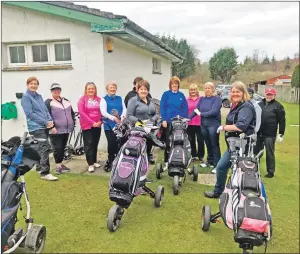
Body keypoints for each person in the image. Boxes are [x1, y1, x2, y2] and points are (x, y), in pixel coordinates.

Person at [204, 81, 256, 198]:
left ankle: (238, 196)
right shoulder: (236, 105)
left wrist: (224, 127)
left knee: (237, 171)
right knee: (221, 167)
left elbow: (241, 125)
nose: (235, 94)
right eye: (233, 92)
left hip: (242, 146)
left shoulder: (246, 107)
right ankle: (219, 192)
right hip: (233, 145)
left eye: (238, 91)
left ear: (243, 93)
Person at [21, 77, 58, 181]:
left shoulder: (39, 96)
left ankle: (39, 166)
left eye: (35, 84)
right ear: (27, 85)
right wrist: (45, 122)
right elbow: (30, 114)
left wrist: (50, 121)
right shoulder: (26, 97)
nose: (33, 85)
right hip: (36, 127)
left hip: (44, 125)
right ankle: (45, 172)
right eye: (31, 84)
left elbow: (45, 110)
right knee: (45, 148)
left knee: (41, 148)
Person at [189, 82, 222, 173]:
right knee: (207, 143)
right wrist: (187, 119)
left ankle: (217, 164)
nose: (207, 89)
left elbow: (214, 111)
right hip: (203, 125)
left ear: (213, 89)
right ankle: (210, 161)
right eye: (206, 88)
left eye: (209, 88)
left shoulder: (217, 99)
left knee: (214, 144)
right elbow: (196, 110)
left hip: (213, 125)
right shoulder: (202, 99)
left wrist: (201, 114)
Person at [254, 87, 286, 178]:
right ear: (265, 94)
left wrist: (281, 133)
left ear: (274, 96)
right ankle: (255, 169)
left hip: (270, 134)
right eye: (267, 94)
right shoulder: (259, 104)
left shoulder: (278, 106)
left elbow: (282, 121)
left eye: (271, 95)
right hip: (259, 133)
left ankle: (270, 172)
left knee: (269, 153)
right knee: (256, 152)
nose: (269, 96)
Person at [45, 83, 75, 175]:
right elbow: (46, 116)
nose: (56, 91)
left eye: (58, 89)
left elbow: (71, 113)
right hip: (55, 130)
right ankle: (58, 167)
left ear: (60, 90)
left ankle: (60, 164)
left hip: (66, 129)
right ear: (51, 91)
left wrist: (73, 123)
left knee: (62, 147)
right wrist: (52, 127)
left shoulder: (66, 100)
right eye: (54, 90)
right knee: (57, 148)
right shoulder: (48, 102)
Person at [160, 76, 188, 169]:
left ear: (178, 85)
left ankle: (180, 159)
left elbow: (185, 108)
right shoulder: (166, 94)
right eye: (173, 84)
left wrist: (183, 118)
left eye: (176, 84)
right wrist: (163, 119)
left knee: (179, 141)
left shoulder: (181, 95)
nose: (174, 85)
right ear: (170, 85)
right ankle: (167, 162)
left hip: (179, 122)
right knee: (168, 142)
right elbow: (162, 107)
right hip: (168, 121)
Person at [127, 79, 158, 164]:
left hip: (149, 128)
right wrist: (139, 121)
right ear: (138, 90)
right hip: (137, 129)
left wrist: (152, 120)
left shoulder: (151, 101)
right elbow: (129, 115)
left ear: (148, 90)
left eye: (145, 89)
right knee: (138, 148)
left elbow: (156, 114)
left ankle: (147, 158)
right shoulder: (133, 101)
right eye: (141, 89)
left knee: (148, 146)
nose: (143, 91)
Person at [100, 81, 127, 171]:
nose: (112, 89)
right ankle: (110, 160)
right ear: (107, 89)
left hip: (119, 125)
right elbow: (103, 112)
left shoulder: (120, 98)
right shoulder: (104, 99)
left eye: (114, 87)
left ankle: (118, 161)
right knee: (111, 143)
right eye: (111, 88)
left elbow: (124, 109)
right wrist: (113, 118)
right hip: (109, 125)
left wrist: (122, 117)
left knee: (118, 143)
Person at [77, 82, 102, 173]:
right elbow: (82, 113)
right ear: (86, 90)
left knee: (95, 143)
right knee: (89, 144)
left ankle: (94, 161)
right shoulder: (82, 100)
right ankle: (90, 164)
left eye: (93, 88)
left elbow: (102, 111)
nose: (91, 90)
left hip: (97, 125)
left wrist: (100, 121)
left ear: (95, 89)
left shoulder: (99, 99)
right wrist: (92, 122)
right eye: (89, 89)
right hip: (87, 125)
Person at [186, 83, 205, 162]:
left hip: (199, 123)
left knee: (200, 140)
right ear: (189, 91)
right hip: (189, 124)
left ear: (197, 90)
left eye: (194, 89)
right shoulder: (186, 100)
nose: (193, 91)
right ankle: (193, 155)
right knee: (191, 140)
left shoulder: (201, 99)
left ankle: (201, 156)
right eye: (191, 90)